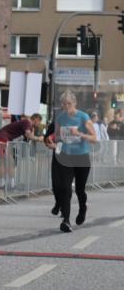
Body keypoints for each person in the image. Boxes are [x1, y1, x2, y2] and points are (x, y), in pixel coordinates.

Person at [53, 91, 97, 232]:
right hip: (66, 156)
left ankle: (83, 208)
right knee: (65, 188)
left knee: (79, 189)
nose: (66, 106)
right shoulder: (60, 118)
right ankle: (66, 221)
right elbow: (56, 137)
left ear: (75, 103)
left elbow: (94, 138)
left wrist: (80, 134)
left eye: (69, 104)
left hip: (81, 157)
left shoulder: (83, 117)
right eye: (64, 104)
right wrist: (56, 140)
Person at [0, 113, 42, 190]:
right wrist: (39, 139)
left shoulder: (28, 124)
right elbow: (28, 135)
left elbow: (28, 136)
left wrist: (33, 131)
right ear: (36, 120)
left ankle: (5, 184)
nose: (39, 124)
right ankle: (8, 185)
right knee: (8, 162)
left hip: (3, 138)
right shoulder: (27, 122)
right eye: (39, 122)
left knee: (6, 162)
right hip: (3, 139)